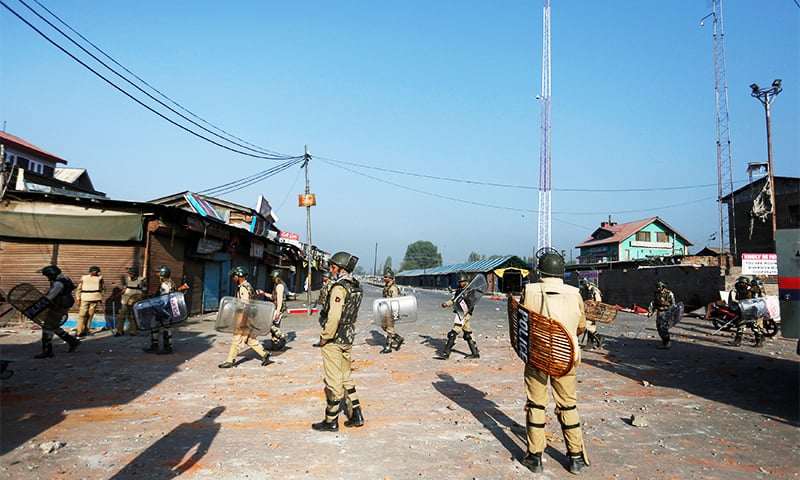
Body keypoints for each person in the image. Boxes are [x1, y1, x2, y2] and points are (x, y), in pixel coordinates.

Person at [519, 249, 589, 475]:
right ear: (561, 271)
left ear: (541, 270)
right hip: (565, 358)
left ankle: (535, 457)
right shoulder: (574, 293)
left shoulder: (529, 290)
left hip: (537, 358)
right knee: (568, 405)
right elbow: (580, 327)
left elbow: (522, 324)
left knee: (536, 404)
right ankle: (576, 458)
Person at [312, 251, 365, 432]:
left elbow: (334, 317)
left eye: (333, 267)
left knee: (333, 381)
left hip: (334, 339)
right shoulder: (356, 286)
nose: (331, 270)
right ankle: (356, 415)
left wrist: (324, 337)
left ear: (341, 268)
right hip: (348, 337)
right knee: (346, 376)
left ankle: (330, 420)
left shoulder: (339, 288)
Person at [218, 266, 272, 368]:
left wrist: (243, 321)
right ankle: (265, 354)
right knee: (249, 339)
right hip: (249, 317)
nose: (233, 278)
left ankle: (230, 361)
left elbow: (245, 305)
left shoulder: (243, 288)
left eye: (235, 276)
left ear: (239, 276)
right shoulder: (248, 286)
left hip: (244, 317)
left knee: (236, 339)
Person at [35, 265, 81, 358]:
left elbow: (50, 296)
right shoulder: (66, 278)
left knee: (47, 327)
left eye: (48, 276)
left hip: (58, 307)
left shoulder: (58, 284)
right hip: (63, 306)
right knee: (54, 326)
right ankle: (72, 341)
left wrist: (40, 305)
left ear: (52, 274)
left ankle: (47, 351)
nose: (48, 278)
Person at [437, 271, 480, 360]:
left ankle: (446, 353)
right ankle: (475, 353)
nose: (460, 283)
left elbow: (472, 301)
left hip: (464, 313)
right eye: (459, 282)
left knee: (454, 332)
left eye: (461, 282)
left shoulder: (470, 290)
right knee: (468, 333)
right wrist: (446, 304)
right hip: (460, 312)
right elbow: (454, 300)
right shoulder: (459, 291)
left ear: (465, 281)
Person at [143, 265, 176, 354]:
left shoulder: (165, 285)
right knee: (154, 324)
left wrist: (161, 310)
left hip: (164, 309)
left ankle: (168, 347)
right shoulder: (170, 283)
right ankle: (155, 345)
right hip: (162, 309)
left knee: (166, 327)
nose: (157, 274)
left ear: (163, 274)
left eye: (159, 272)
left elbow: (164, 298)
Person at [728, 276, 762, 347]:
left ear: (746, 283)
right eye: (740, 283)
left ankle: (759, 341)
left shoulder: (753, 290)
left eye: (742, 283)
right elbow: (737, 297)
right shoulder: (739, 288)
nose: (740, 284)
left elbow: (756, 300)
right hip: (743, 309)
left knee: (754, 326)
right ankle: (737, 341)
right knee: (741, 325)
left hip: (752, 310)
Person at [379, 267, 405, 354]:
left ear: (391, 278)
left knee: (390, 328)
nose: (384, 278)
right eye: (384, 276)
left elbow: (395, 301)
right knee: (383, 326)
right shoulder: (386, 286)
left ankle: (388, 346)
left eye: (386, 277)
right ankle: (398, 338)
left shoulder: (393, 288)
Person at [115, 267, 146, 337]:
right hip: (125, 300)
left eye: (131, 274)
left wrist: (140, 299)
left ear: (135, 274)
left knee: (133, 316)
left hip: (135, 301)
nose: (129, 275)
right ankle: (119, 331)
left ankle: (133, 331)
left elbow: (144, 292)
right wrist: (116, 296)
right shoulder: (127, 280)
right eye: (129, 274)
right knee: (121, 316)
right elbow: (124, 289)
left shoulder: (142, 281)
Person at [75, 266, 104, 337]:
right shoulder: (84, 278)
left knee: (89, 315)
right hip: (86, 298)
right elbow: (79, 289)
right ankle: (79, 331)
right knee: (82, 315)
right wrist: (78, 299)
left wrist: (100, 297)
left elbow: (102, 288)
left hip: (93, 298)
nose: (95, 273)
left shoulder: (99, 278)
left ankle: (85, 331)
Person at [264, 270, 289, 351]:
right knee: (276, 327)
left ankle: (282, 336)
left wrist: (278, 312)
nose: (272, 279)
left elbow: (279, 300)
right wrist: (264, 293)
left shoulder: (280, 286)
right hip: (275, 307)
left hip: (278, 308)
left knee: (270, 325)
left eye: (273, 277)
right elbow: (273, 297)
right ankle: (275, 346)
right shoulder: (276, 285)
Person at [648, 280, 676, 349]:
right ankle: (664, 341)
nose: (658, 288)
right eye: (657, 287)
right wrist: (651, 312)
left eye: (659, 287)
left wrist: (672, 313)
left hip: (666, 312)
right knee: (658, 327)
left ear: (663, 287)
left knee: (663, 327)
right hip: (659, 312)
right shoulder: (656, 293)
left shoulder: (669, 293)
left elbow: (673, 304)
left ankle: (667, 341)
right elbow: (654, 303)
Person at [578, 278, 602, 350]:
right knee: (590, 327)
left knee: (589, 326)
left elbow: (598, 301)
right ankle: (590, 344)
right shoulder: (586, 290)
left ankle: (599, 338)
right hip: (587, 311)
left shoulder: (594, 290)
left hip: (592, 311)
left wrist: (595, 310)